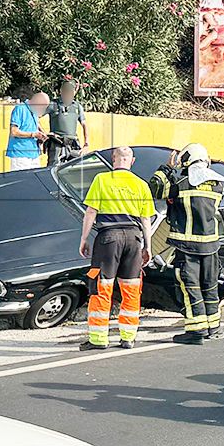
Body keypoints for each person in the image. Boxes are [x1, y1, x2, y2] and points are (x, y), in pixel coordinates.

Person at [78, 147, 156, 351]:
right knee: (131, 289)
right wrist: (147, 247)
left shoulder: (102, 180)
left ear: (113, 160)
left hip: (108, 238)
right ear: (132, 161)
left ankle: (98, 339)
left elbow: (91, 211)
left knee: (102, 287)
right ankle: (128, 337)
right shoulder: (141, 185)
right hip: (133, 239)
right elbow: (146, 219)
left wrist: (84, 239)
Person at [150, 143, 224, 344]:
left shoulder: (180, 183)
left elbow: (155, 189)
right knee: (210, 286)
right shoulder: (219, 185)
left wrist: (167, 167)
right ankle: (213, 327)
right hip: (211, 246)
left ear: (187, 160)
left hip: (187, 246)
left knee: (190, 286)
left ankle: (196, 331)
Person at [46, 80, 88, 166]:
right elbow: (36, 116)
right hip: (57, 142)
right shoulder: (53, 104)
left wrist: (86, 144)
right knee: (53, 168)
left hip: (73, 143)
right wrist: (43, 133)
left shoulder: (77, 106)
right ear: (61, 91)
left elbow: (84, 125)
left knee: (75, 168)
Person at [6, 92, 49, 171]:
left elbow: (36, 123)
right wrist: (33, 134)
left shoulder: (33, 110)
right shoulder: (20, 108)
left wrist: (43, 133)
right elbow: (14, 132)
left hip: (34, 154)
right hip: (21, 155)